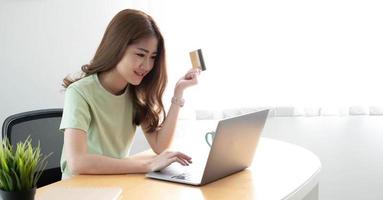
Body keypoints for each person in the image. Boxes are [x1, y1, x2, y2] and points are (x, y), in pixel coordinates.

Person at [60, 9, 200, 179]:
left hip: (116, 182)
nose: (147, 66)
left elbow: (160, 145)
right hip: (77, 188)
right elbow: (77, 162)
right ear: (116, 47)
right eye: (140, 54)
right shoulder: (79, 92)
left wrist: (179, 91)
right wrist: (147, 165)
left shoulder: (136, 92)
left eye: (152, 57)